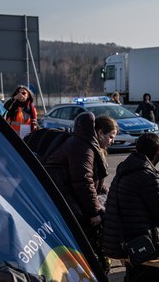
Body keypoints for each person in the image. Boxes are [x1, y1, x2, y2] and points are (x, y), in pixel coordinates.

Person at [44, 112, 117, 274]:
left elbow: (94, 182)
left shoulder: (84, 144)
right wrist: (94, 212)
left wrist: (108, 195)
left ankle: (96, 265)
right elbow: (83, 182)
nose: (112, 141)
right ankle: (96, 268)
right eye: (111, 136)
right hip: (65, 199)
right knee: (92, 232)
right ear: (99, 133)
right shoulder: (83, 147)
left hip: (68, 196)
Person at [102, 133, 159, 281]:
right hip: (140, 243)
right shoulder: (149, 176)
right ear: (158, 153)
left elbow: (143, 210)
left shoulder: (124, 170)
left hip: (119, 240)